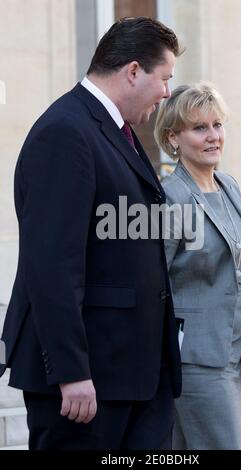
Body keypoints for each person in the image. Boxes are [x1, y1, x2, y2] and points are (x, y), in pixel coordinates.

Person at [0, 17, 183, 450]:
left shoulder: (117, 131)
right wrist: (71, 371)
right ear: (134, 71)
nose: (167, 93)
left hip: (135, 374)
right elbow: (52, 265)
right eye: (165, 79)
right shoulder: (65, 132)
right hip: (88, 384)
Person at [154, 82, 241, 450]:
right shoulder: (169, 198)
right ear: (173, 138)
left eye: (217, 125)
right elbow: (156, 283)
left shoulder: (229, 186)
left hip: (233, 358)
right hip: (195, 361)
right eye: (199, 128)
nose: (213, 136)